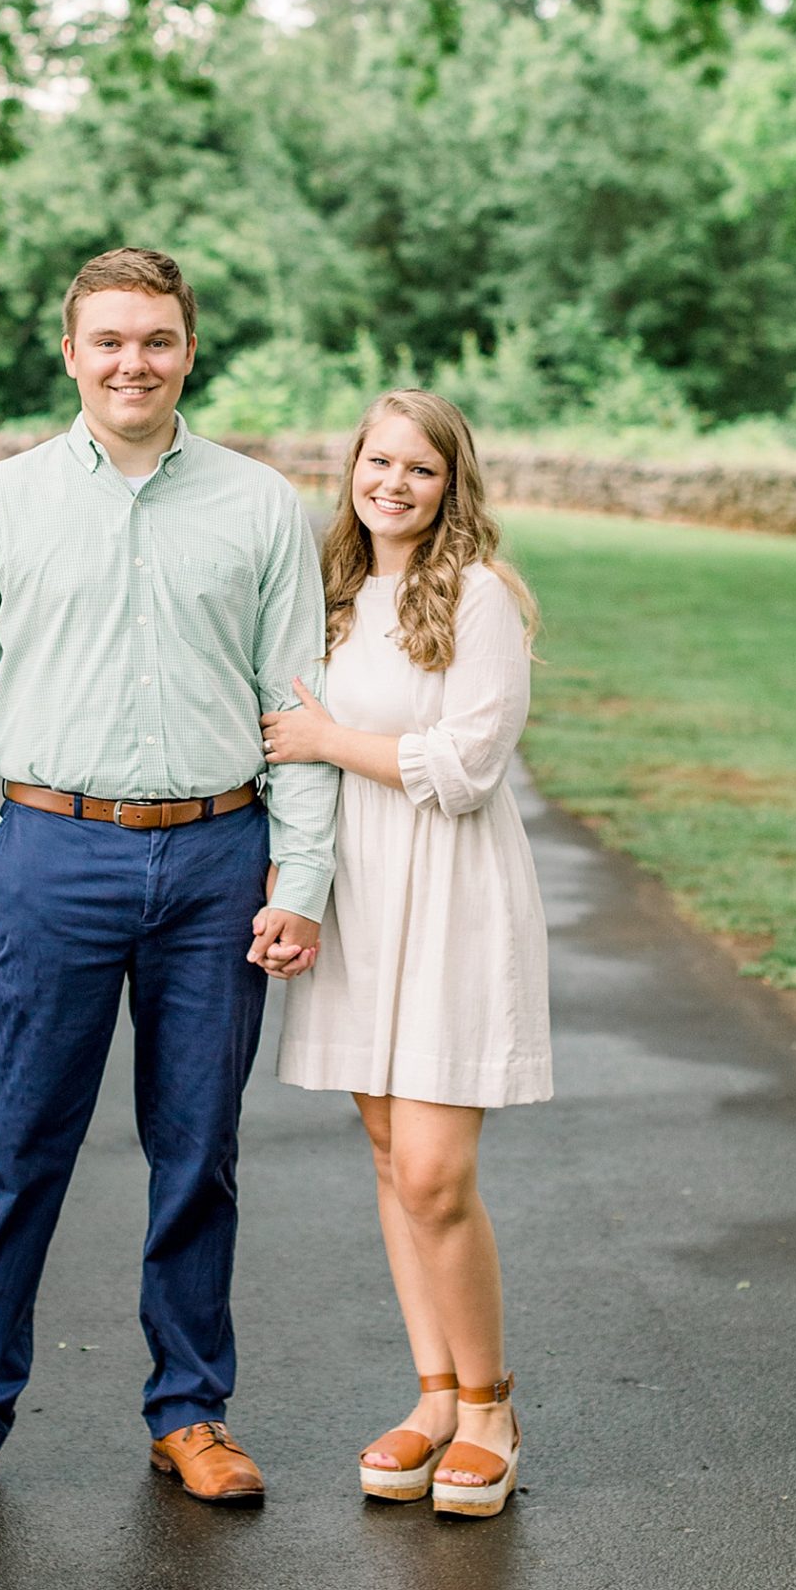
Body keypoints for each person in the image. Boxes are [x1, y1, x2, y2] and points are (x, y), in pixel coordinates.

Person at [0, 247, 336, 1518]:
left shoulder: (259, 508)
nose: (132, 361)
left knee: (197, 1147)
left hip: (217, 859)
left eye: (155, 338)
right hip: (52, 853)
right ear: (72, 352)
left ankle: (190, 1411)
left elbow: (294, 705)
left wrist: (298, 874)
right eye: (109, 341)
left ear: (189, 347)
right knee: (12, 1144)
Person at [262, 389, 548, 1521]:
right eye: (377, 462)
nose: (393, 483)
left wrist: (332, 737)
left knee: (435, 1170)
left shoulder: (479, 596)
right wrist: (296, 889)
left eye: (419, 469)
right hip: (361, 898)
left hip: (453, 897)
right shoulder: (329, 598)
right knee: (388, 1156)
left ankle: (490, 1408)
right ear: (351, 470)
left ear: (451, 484)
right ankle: (432, 1397)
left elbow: (470, 765)